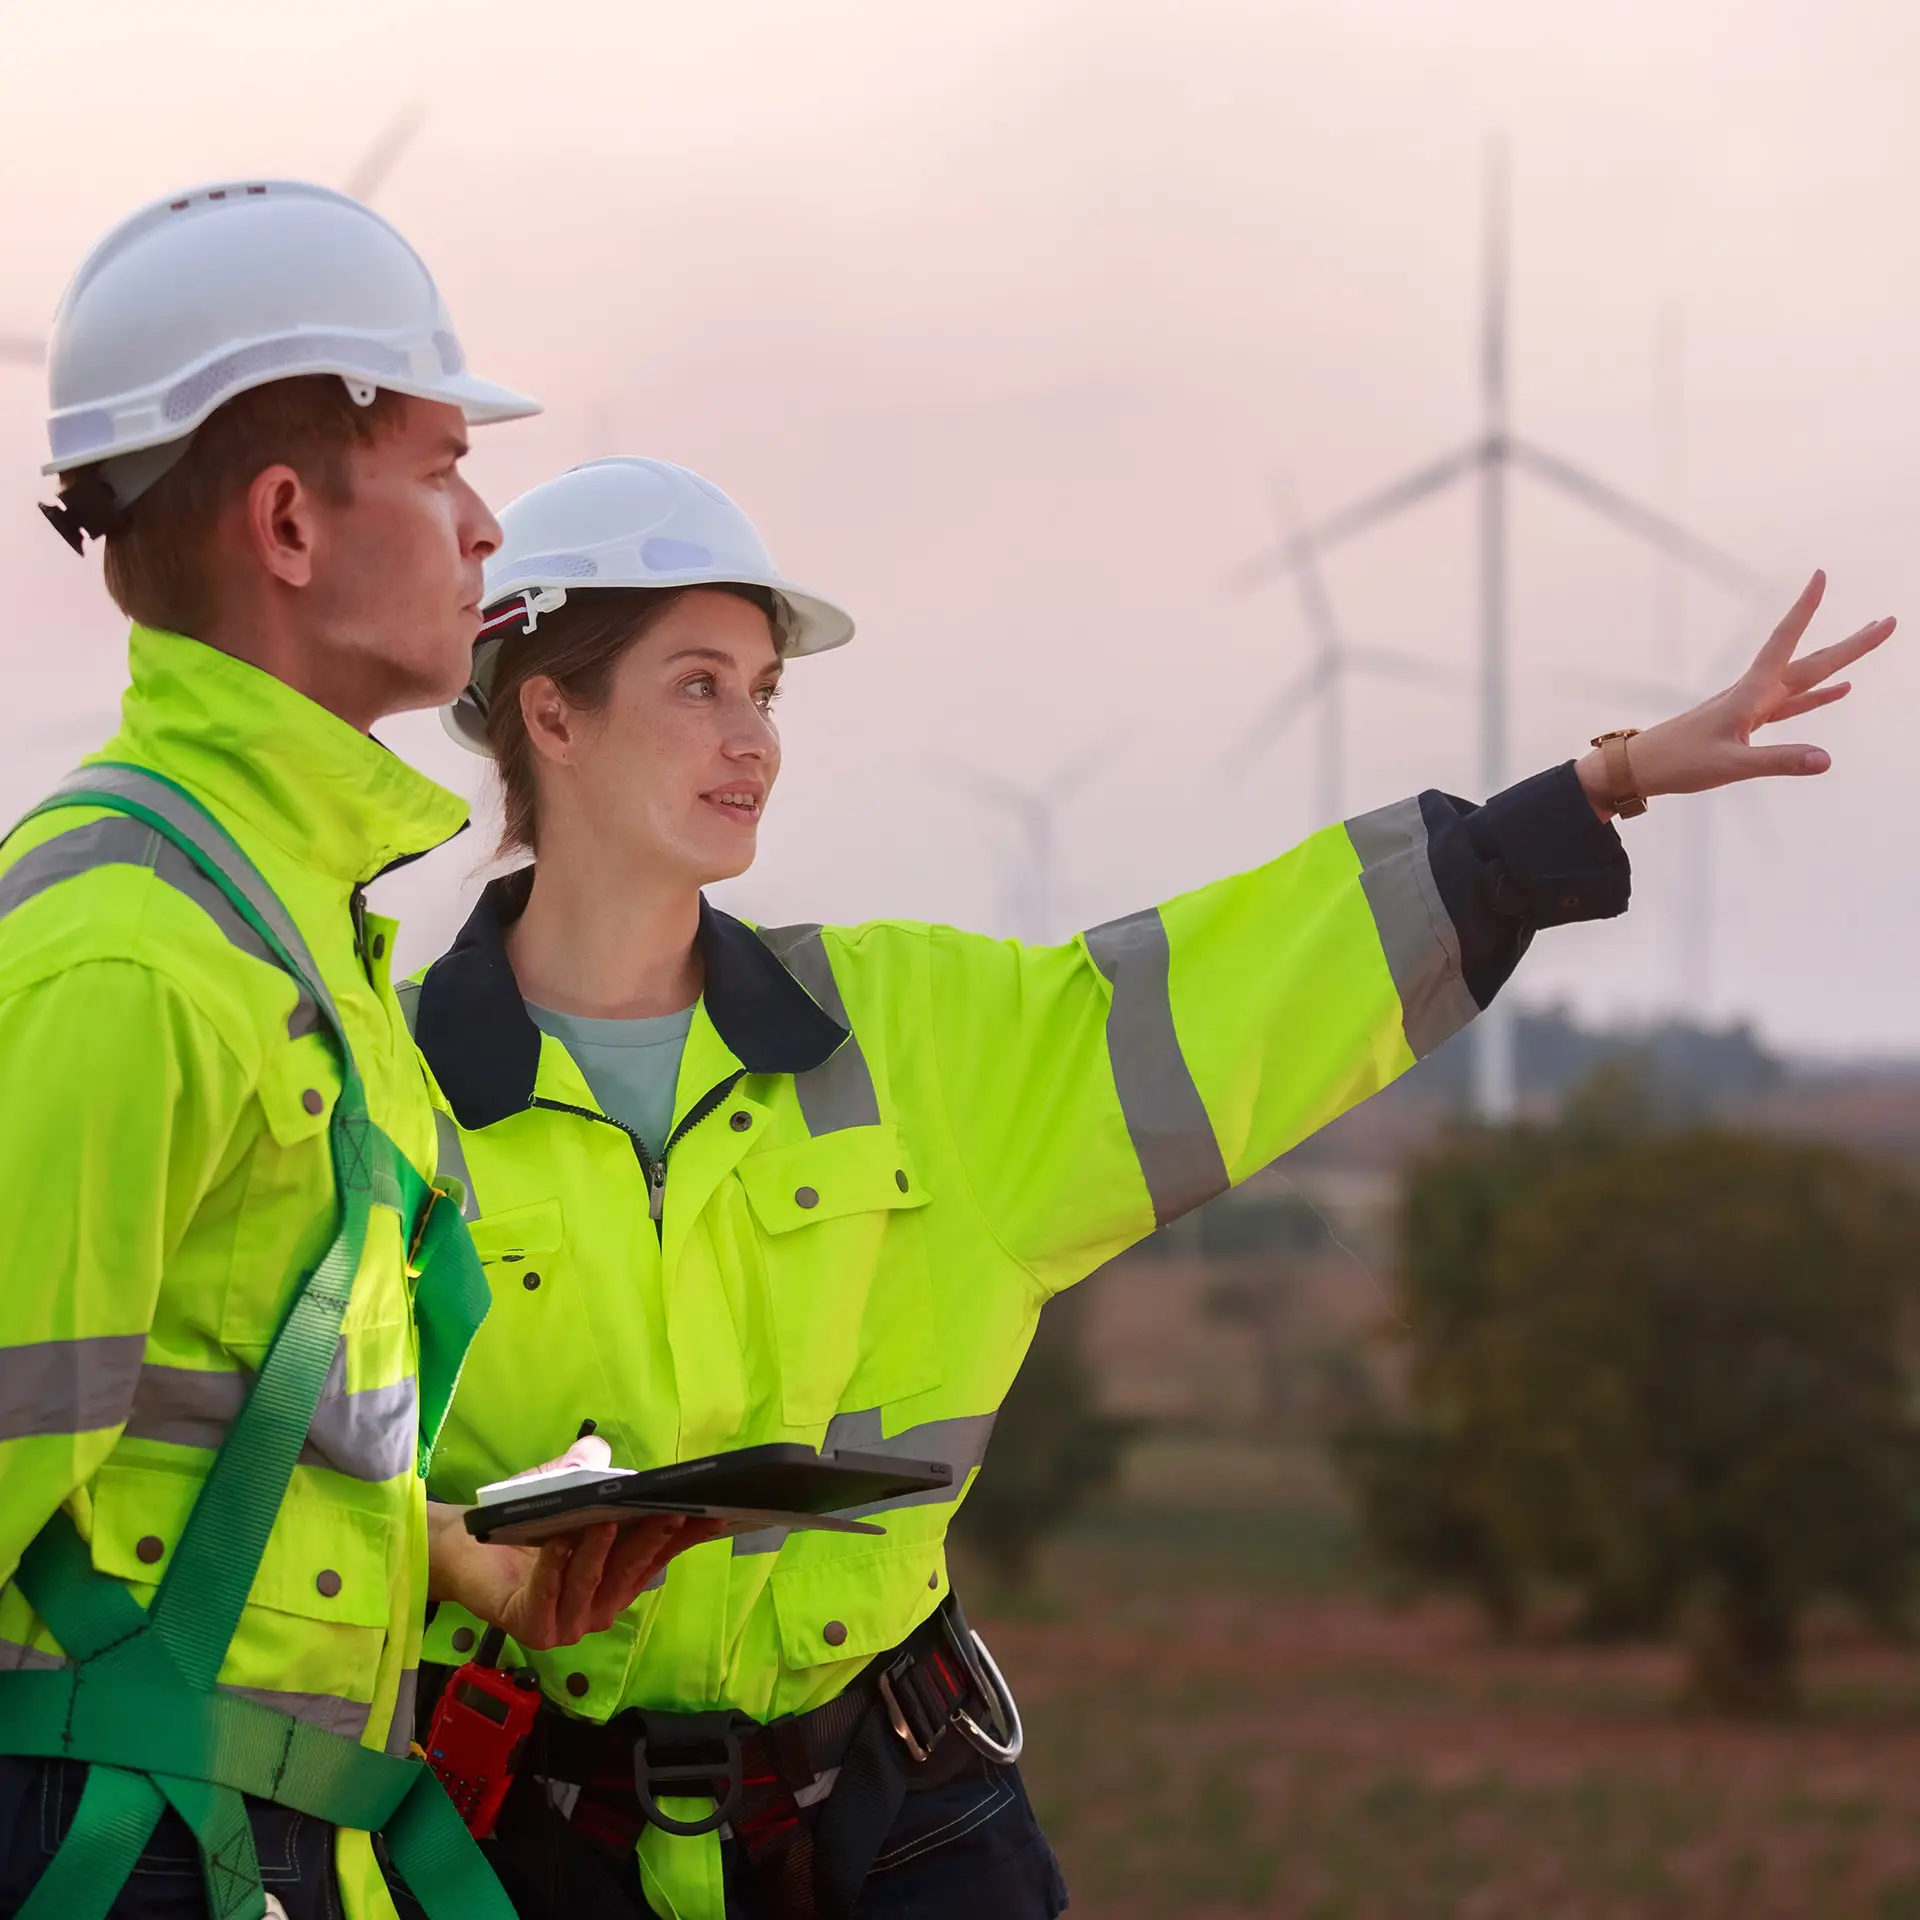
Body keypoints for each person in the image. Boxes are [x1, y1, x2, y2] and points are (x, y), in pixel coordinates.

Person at [407, 454, 1892, 1920]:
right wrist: (441, 1551)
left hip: (893, 1824)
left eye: (765, 692)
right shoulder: (384, 1084)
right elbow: (270, 1467)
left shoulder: (914, 1030)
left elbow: (1250, 987)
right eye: (698, 686)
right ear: (553, 713)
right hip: (514, 1836)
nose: (757, 740)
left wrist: (1593, 789)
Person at [0, 189, 701, 1920]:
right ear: (291, 523)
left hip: (271, 1842)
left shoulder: (289, 922)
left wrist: (461, 1558)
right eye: (446, 468)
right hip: (130, 1856)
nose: (488, 529)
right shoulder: (131, 955)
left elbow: (203, 1441)